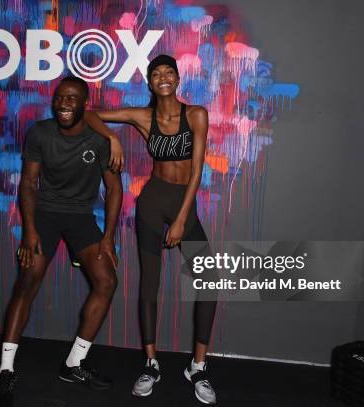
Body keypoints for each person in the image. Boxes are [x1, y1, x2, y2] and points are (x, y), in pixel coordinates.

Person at [84, 54, 218, 404]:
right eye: (156, 73)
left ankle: (198, 367)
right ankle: (151, 363)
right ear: (150, 81)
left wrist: (181, 219)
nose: (163, 77)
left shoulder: (196, 114)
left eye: (168, 72)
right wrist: (112, 139)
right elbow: (89, 114)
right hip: (152, 201)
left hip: (182, 203)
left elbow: (197, 170)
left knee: (211, 280)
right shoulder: (143, 117)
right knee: (149, 282)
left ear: (177, 78)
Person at [0, 76, 123, 402]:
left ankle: (74, 364)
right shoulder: (39, 133)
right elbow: (28, 184)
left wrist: (107, 238)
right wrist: (30, 231)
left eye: (72, 99)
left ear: (83, 105)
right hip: (46, 215)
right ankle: (5, 370)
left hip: (80, 217)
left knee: (106, 281)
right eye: (60, 97)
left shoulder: (100, 141)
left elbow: (115, 190)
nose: (64, 104)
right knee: (28, 278)